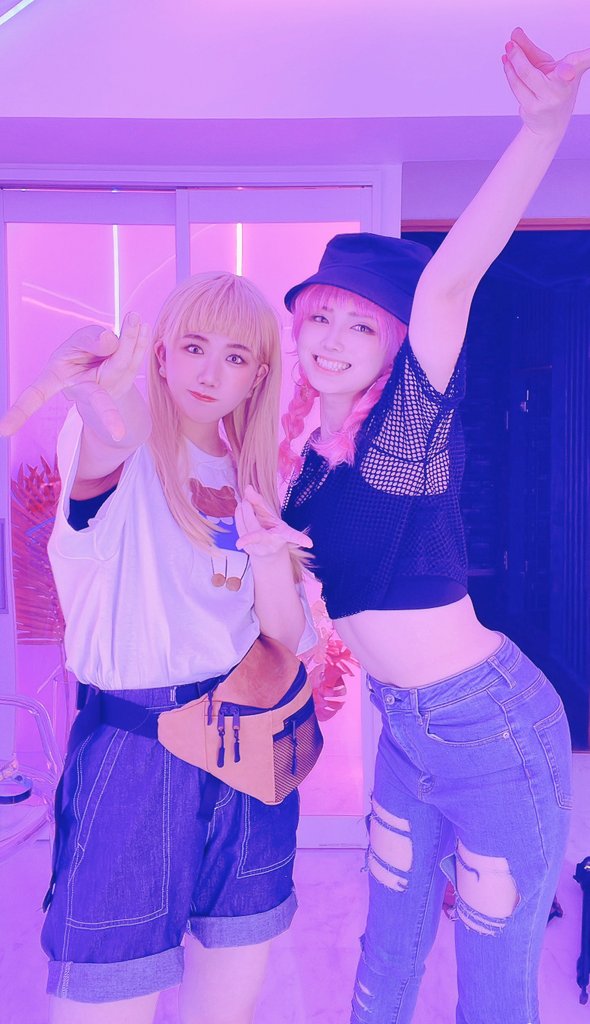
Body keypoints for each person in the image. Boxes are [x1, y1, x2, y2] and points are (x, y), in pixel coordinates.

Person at [279, 28, 590, 1024]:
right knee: (384, 957)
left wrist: (539, 133)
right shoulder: (304, 461)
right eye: (320, 317)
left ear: (397, 345)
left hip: (491, 729)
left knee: (492, 992)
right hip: (406, 729)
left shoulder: (403, 435)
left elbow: (451, 280)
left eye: (362, 325)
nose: (332, 340)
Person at [0, 272, 317, 1024]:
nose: (211, 372)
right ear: (163, 355)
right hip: (138, 752)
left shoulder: (254, 474)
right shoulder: (121, 447)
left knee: (227, 1001)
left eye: (235, 357)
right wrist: (99, 393)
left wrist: (269, 555)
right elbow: (115, 433)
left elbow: (284, 638)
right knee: (107, 996)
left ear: (258, 376)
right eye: (194, 347)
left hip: (251, 743)